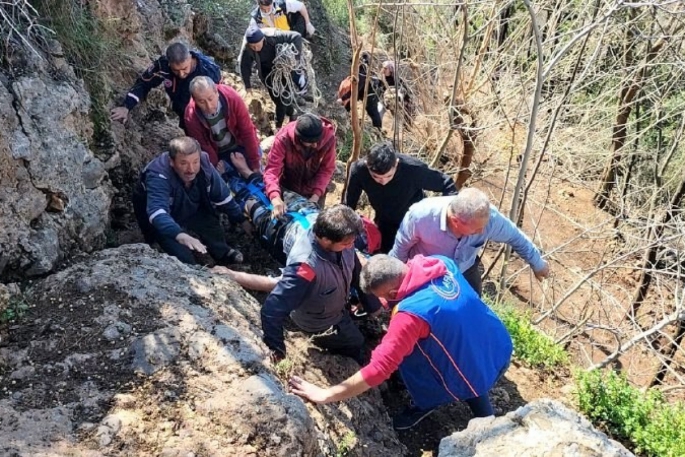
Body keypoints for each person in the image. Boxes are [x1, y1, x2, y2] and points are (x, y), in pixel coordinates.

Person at [289, 254, 513, 430]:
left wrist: (325, 394)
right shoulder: (438, 262)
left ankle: (428, 403)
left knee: (412, 359)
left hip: (469, 370)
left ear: (394, 291)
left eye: (384, 297)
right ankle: (487, 416)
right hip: (496, 345)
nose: (383, 302)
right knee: (469, 363)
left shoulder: (411, 316)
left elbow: (378, 370)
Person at [252, 204, 382, 364]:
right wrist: (277, 349)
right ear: (326, 240)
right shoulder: (306, 268)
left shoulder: (343, 238)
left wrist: (372, 305)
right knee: (356, 342)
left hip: (338, 303)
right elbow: (272, 309)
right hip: (321, 322)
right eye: (347, 243)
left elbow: (356, 271)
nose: (351, 246)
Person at [389, 188, 550, 296]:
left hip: (464, 268)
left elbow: (516, 237)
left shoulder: (489, 220)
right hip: (424, 271)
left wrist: (538, 263)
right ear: (456, 221)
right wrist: (395, 282)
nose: (482, 232)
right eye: (476, 229)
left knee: (472, 306)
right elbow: (401, 248)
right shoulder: (421, 216)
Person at [132, 136, 250, 266]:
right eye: (183, 163)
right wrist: (180, 235)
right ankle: (185, 264)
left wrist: (241, 219)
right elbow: (157, 213)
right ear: (172, 161)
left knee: (210, 223)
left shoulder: (205, 164)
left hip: (191, 203)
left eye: (195, 162)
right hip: (161, 215)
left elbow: (222, 196)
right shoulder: (158, 175)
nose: (191, 169)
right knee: (181, 256)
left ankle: (223, 253)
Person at [345, 141, 457, 253]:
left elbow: (447, 184)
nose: (383, 182)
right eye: (377, 177)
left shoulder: (413, 169)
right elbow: (349, 204)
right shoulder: (359, 171)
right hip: (385, 222)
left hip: (416, 222)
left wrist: (445, 220)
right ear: (367, 165)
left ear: (396, 164)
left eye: (388, 176)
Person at [110, 42, 221, 129]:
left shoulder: (208, 70)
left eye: (184, 69)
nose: (181, 74)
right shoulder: (163, 66)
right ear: (169, 63)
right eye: (176, 70)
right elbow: (143, 83)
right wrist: (126, 107)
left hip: (209, 114)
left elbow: (219, 97)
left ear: (190, 58)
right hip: (184, 114)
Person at [263, 114, 336, 218]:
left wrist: (315, 196)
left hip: (315, 190)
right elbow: (272, 170)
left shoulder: (329, 139)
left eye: (317, 141)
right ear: (299, 139)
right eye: (310, 143)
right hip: (288, 189)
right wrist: (275, 198)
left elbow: (327, 169)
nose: (315, 145)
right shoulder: (283, 139)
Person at [183, 76, 262, 171]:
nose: (209, 106)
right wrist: (215, 166)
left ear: (216, 92)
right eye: (202, 102)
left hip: (240, 143)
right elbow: (204, 145)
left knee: (256, 169)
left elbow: (247, 131)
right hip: (219, 153)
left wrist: (255, 163)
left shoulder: (232, 98)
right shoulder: (191, 115)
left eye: (211, 98)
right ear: (195, 101)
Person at [240, 26, 309, 130]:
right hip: (267, 74)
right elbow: (245, 65)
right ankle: (291, 112)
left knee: (283, 99)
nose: (255, 48)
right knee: (276, 99)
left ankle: (278, 126)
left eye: (257, 45)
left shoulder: (274, 36)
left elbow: (296, 36)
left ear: (263, 39)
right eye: (252, 46)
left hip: (283, 69)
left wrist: (296, 59)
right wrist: (247, 85)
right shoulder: (248, 48)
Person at [337, 52, 385, 129]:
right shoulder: (361, 70)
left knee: (371, 110)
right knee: (350, 103)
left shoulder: (362, 73)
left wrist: (342, 98)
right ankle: (347, 118)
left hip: (371, 94)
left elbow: (355, 89)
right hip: (363, 92)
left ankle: (378, 129)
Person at [249, 0, 316, 38]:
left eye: (268, 8)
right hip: (274, 39)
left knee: (301, 16)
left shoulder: (281, 4)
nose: (267, 11)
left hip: (291, 33)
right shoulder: (256, 17)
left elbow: (301, 6)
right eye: (263, 9)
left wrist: (308, 23)